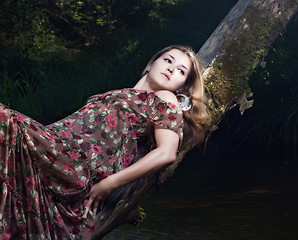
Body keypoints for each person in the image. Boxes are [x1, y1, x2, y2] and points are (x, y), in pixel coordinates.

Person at [0, 45, 210, 239]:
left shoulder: (165, 98)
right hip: (54, 147)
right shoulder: (116, 94)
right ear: (151, 63)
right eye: (168, 60)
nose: (172, 69)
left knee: (4, 118)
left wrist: (110, 184)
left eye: (181, 71)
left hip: (74, 163)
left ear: (182, 87)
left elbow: (167, 153)